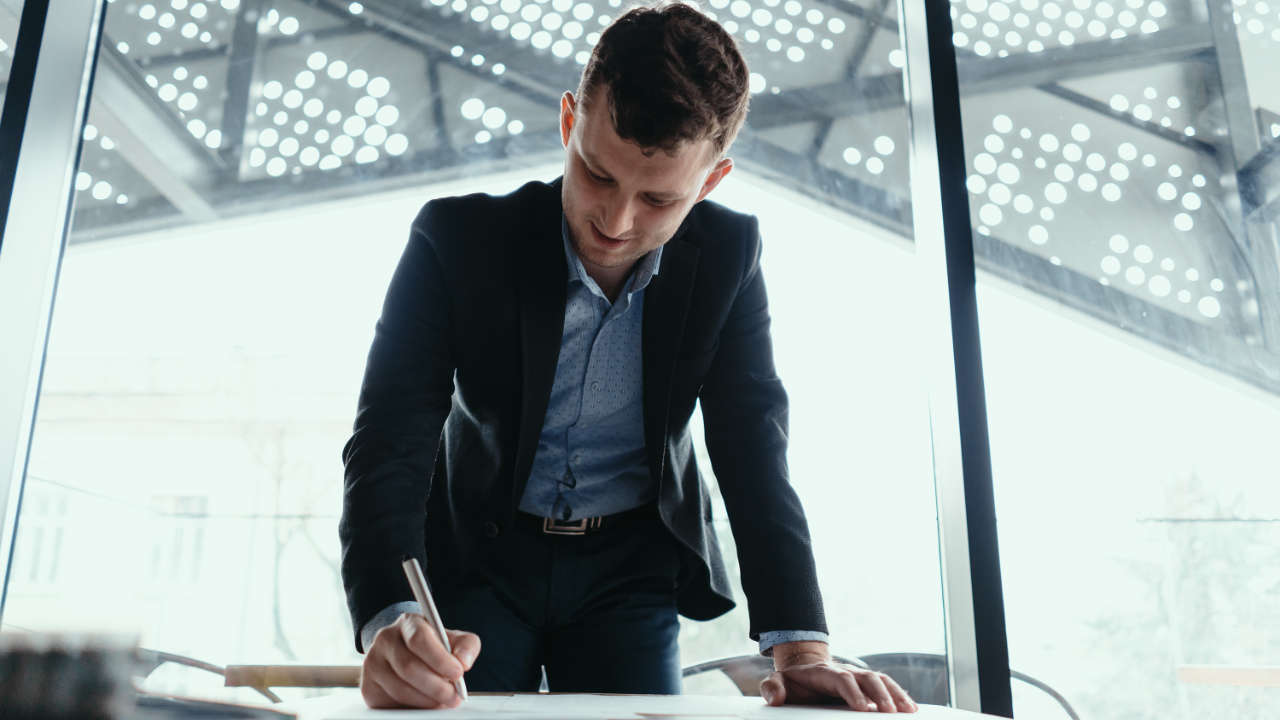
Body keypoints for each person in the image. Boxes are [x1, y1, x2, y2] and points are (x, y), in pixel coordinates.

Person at [339, 1, 917, 713]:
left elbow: (752, 448)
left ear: (708, 183)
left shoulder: (729, 257)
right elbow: (389, 439)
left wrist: (801, 653)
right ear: (568, 123)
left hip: (629, 568)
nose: (616, 222)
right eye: (598, 174)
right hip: (478, 557)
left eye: (658, 199)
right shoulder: (455, 240)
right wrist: (391, 617)